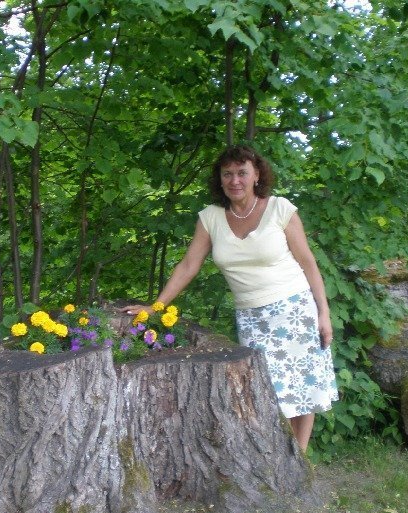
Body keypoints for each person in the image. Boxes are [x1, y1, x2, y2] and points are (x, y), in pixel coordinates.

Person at [124, 145, 338, 452]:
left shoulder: (280, 209)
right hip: (250, 317)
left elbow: (308, 263)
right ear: (220, 179)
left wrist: (323, 313)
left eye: (242, 173)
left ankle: (299, 460)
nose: (234, 180)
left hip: (293, 310)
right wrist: (156, 307)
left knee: (303, 389)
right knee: (265, 391)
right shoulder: (211, 218)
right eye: (227, 174)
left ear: (256, 175)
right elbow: (188, 266)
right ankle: (276, 456)